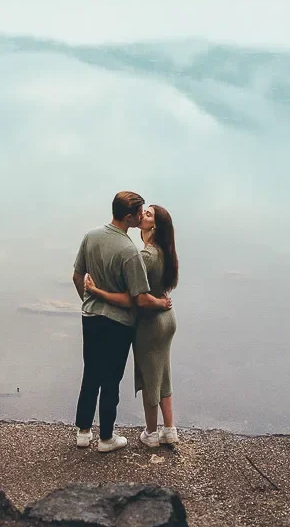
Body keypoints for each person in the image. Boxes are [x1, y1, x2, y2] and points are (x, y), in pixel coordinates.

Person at [71, 190, 170, 452]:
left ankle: (83, 431)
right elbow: (136, 299)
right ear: (128, 217)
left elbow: (77, 276)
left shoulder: (91, 236)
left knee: (90, 372)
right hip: (117, 324)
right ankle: (106, 437)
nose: (141, 217)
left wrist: (89, 299)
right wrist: (160, 303)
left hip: (90, 317)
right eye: (139, 214)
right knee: (111, 378)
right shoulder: (129, 251)